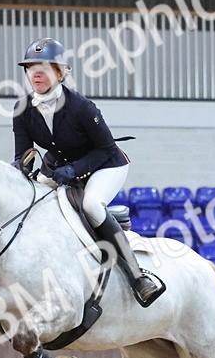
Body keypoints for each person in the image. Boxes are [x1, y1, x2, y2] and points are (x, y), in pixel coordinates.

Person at [11, 37, 164, 307]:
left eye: (44, 67)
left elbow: (105, 149)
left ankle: (138, 277)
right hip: (60, 168)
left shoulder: (82, 107)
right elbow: (22, 155)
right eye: (31, 67)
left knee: (92, 206)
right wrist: (18, 174)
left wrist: (73, 169)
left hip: (106, 165)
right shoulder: (22, 109)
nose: (36, 72)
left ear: (59, 73)